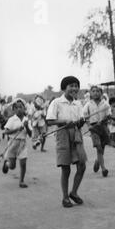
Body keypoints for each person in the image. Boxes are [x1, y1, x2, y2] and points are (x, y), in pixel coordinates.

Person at [46, 76, 87, 208]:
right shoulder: (57, 102)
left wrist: (80, 123)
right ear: (64, 88)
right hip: (63, 135)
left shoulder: (78, 103)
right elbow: (49, 120)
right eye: (71, 86)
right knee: (66, 168)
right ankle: (65, 198)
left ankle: (74, 192)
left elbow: (80, 122)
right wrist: (64, 122)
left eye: (76, 86)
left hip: (76, 134)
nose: (74, 88)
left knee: (82, 165)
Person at [2, 99, 32, 188]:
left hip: (22, 144)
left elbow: (30, 134)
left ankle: (21, 181)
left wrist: (26, 126)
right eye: (16, 108)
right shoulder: (12, 119)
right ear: (14, 110)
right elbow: (6, 132)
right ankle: (7, 164)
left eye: (20, 107)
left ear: (24, 109)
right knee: (12, 166)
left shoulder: (27, 120)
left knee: (23, 163)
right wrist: (16, 129)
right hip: (12, 143)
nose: (19, 109)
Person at [83, 86, 111, 177]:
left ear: (101, 93)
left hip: (103, 127)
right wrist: (89, 126)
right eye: (93, 91)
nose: (96, 93)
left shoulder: (105, 104)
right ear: (90, 93)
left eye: (98, 91)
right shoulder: (88, 104)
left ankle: (98, 160)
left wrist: (105, 119)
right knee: (98, 147)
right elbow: (85, 117)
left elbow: (108, 115)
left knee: (102, 148)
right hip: (93, 128)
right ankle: (103, 169)